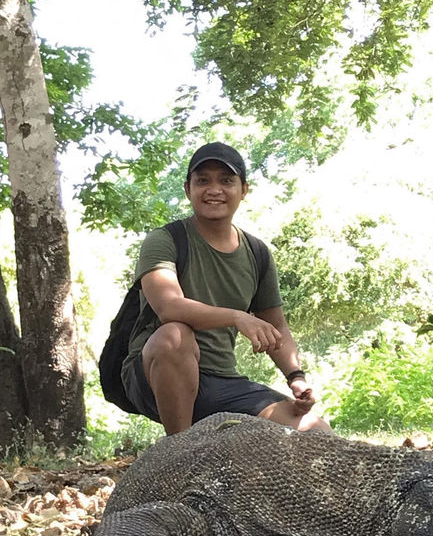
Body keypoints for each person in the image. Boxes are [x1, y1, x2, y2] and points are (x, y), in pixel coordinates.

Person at [121, 141, 331, 435]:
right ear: (187, 189)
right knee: (175, 334)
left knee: (317, 433)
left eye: (226, 180)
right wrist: (237, 317)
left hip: (222, 382)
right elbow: (169, 307)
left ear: (243, 189)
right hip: (155, 372)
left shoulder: (257, 252)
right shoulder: (165, 240)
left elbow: (277, 326)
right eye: (202, 180)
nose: (214, 189)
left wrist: (296, 377)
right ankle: (179, 451)